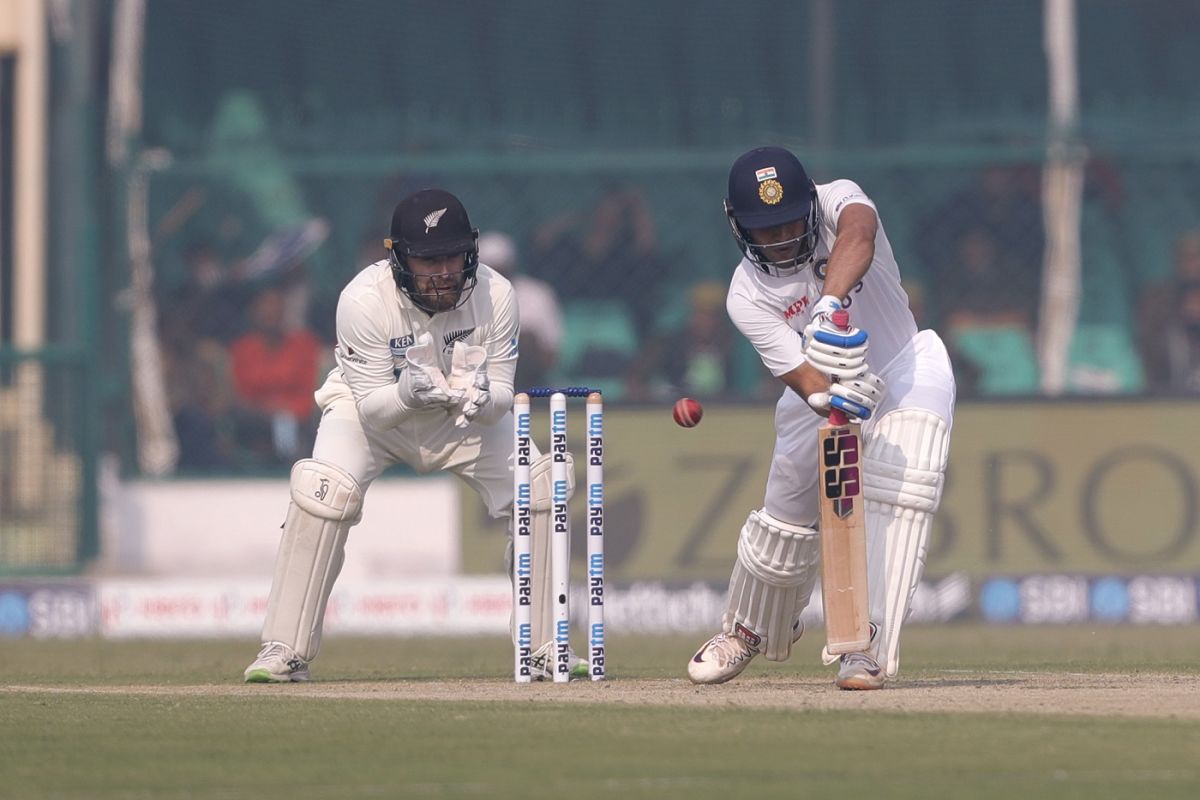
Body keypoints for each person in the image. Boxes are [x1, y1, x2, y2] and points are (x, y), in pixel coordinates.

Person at [243, 188, 584, 682]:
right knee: (324, 494)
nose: (444, 272)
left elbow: (505, 396)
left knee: (543, 488)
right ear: (398, 257)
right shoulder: (362, 300)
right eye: (428, 260)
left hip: (461, 415)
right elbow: (375, 411)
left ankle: (544, 646)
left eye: (452, 257)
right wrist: (407, 394)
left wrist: (483, 399)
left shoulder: (497, 294)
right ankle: (282, 649)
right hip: (375, 411)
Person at [687, 147, 956, 690]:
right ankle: (749, 628)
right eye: (765, 230)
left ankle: (865, 647)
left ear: (811, 203)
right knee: (785, 510)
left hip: (904, 365)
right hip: (823, 388)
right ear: (738, 226)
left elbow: (861, 234)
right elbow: (805, 379)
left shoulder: (841, 201)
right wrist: (829, 395)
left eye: (789, 222)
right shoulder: (745, 295)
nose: (781, 239)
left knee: (901, 493)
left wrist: (829, 306)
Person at [477, 231, 564, 390]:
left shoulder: (538, 294)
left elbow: (551, 352)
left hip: (530, 374)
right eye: (489, 268)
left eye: (500, 267)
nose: (496, 274)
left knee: (526, 340)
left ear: (511, 265)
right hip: (481, 374)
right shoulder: (466, 296)